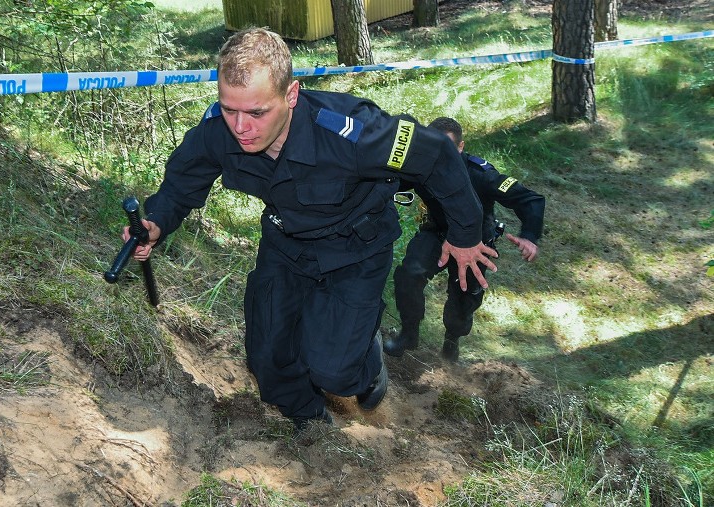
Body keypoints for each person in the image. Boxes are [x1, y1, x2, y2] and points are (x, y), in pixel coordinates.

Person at [123, 29, 497, 431]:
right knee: (267, 360)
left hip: (357, 250)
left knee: (336, 373)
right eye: (229, 109)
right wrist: (156, 221)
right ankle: (310, 421)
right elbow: (183, 180)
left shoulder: (353, 133)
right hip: (286, 246)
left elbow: (437, 153)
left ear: (291, 95)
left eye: (256, 113)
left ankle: (366, 361)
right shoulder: (220, 130)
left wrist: (464, 235)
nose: (240, 126)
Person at [385, 117, 545, 362]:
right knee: (408, 274)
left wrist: (530, 236)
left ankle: (452, 340)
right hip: (437, 234)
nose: (438, 154)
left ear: (460, 147)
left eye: (446, 148)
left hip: (475, 244)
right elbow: (386, 182)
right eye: (432, 146)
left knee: (463, 296)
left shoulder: (480, 174)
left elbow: (529, 199)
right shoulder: (420, 167)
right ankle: (409, 334)